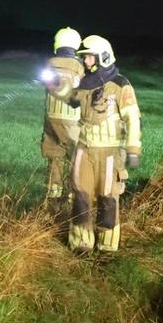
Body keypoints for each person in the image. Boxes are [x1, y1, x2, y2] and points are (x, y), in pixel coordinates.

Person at [67, 35, 142, 253]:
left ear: (103, 57)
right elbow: (70, 100)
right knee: (80, 197)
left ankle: (107, 248)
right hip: (84, 150)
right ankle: (80, 245)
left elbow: (133, 118)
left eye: (89, 57)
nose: (86, 62)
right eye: (85, 58)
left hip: (109, 154)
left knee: (108, 200)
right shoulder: (83, 84)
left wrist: (133, 150)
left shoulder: (120, 85)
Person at [40, 27, 85, 206]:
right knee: (76, 159)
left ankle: (52, 198)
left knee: (54, 157)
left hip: (51, 118)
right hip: (73, 119)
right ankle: (74, 198)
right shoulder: (80, 66)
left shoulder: (49, 63)